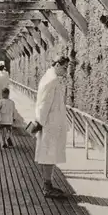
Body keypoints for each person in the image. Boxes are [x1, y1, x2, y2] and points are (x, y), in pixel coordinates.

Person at [34, 56, 70, 198]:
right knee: (49, 154)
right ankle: (47, 187)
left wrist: (39, 121)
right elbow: (44, 104)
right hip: (50, 124)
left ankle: (47, 184)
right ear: (56, 64)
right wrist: (39, 122)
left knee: (47, 154)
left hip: (48, 123)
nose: (65, 71)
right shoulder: (52, 80)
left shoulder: (48, 77)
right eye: (64, 68)